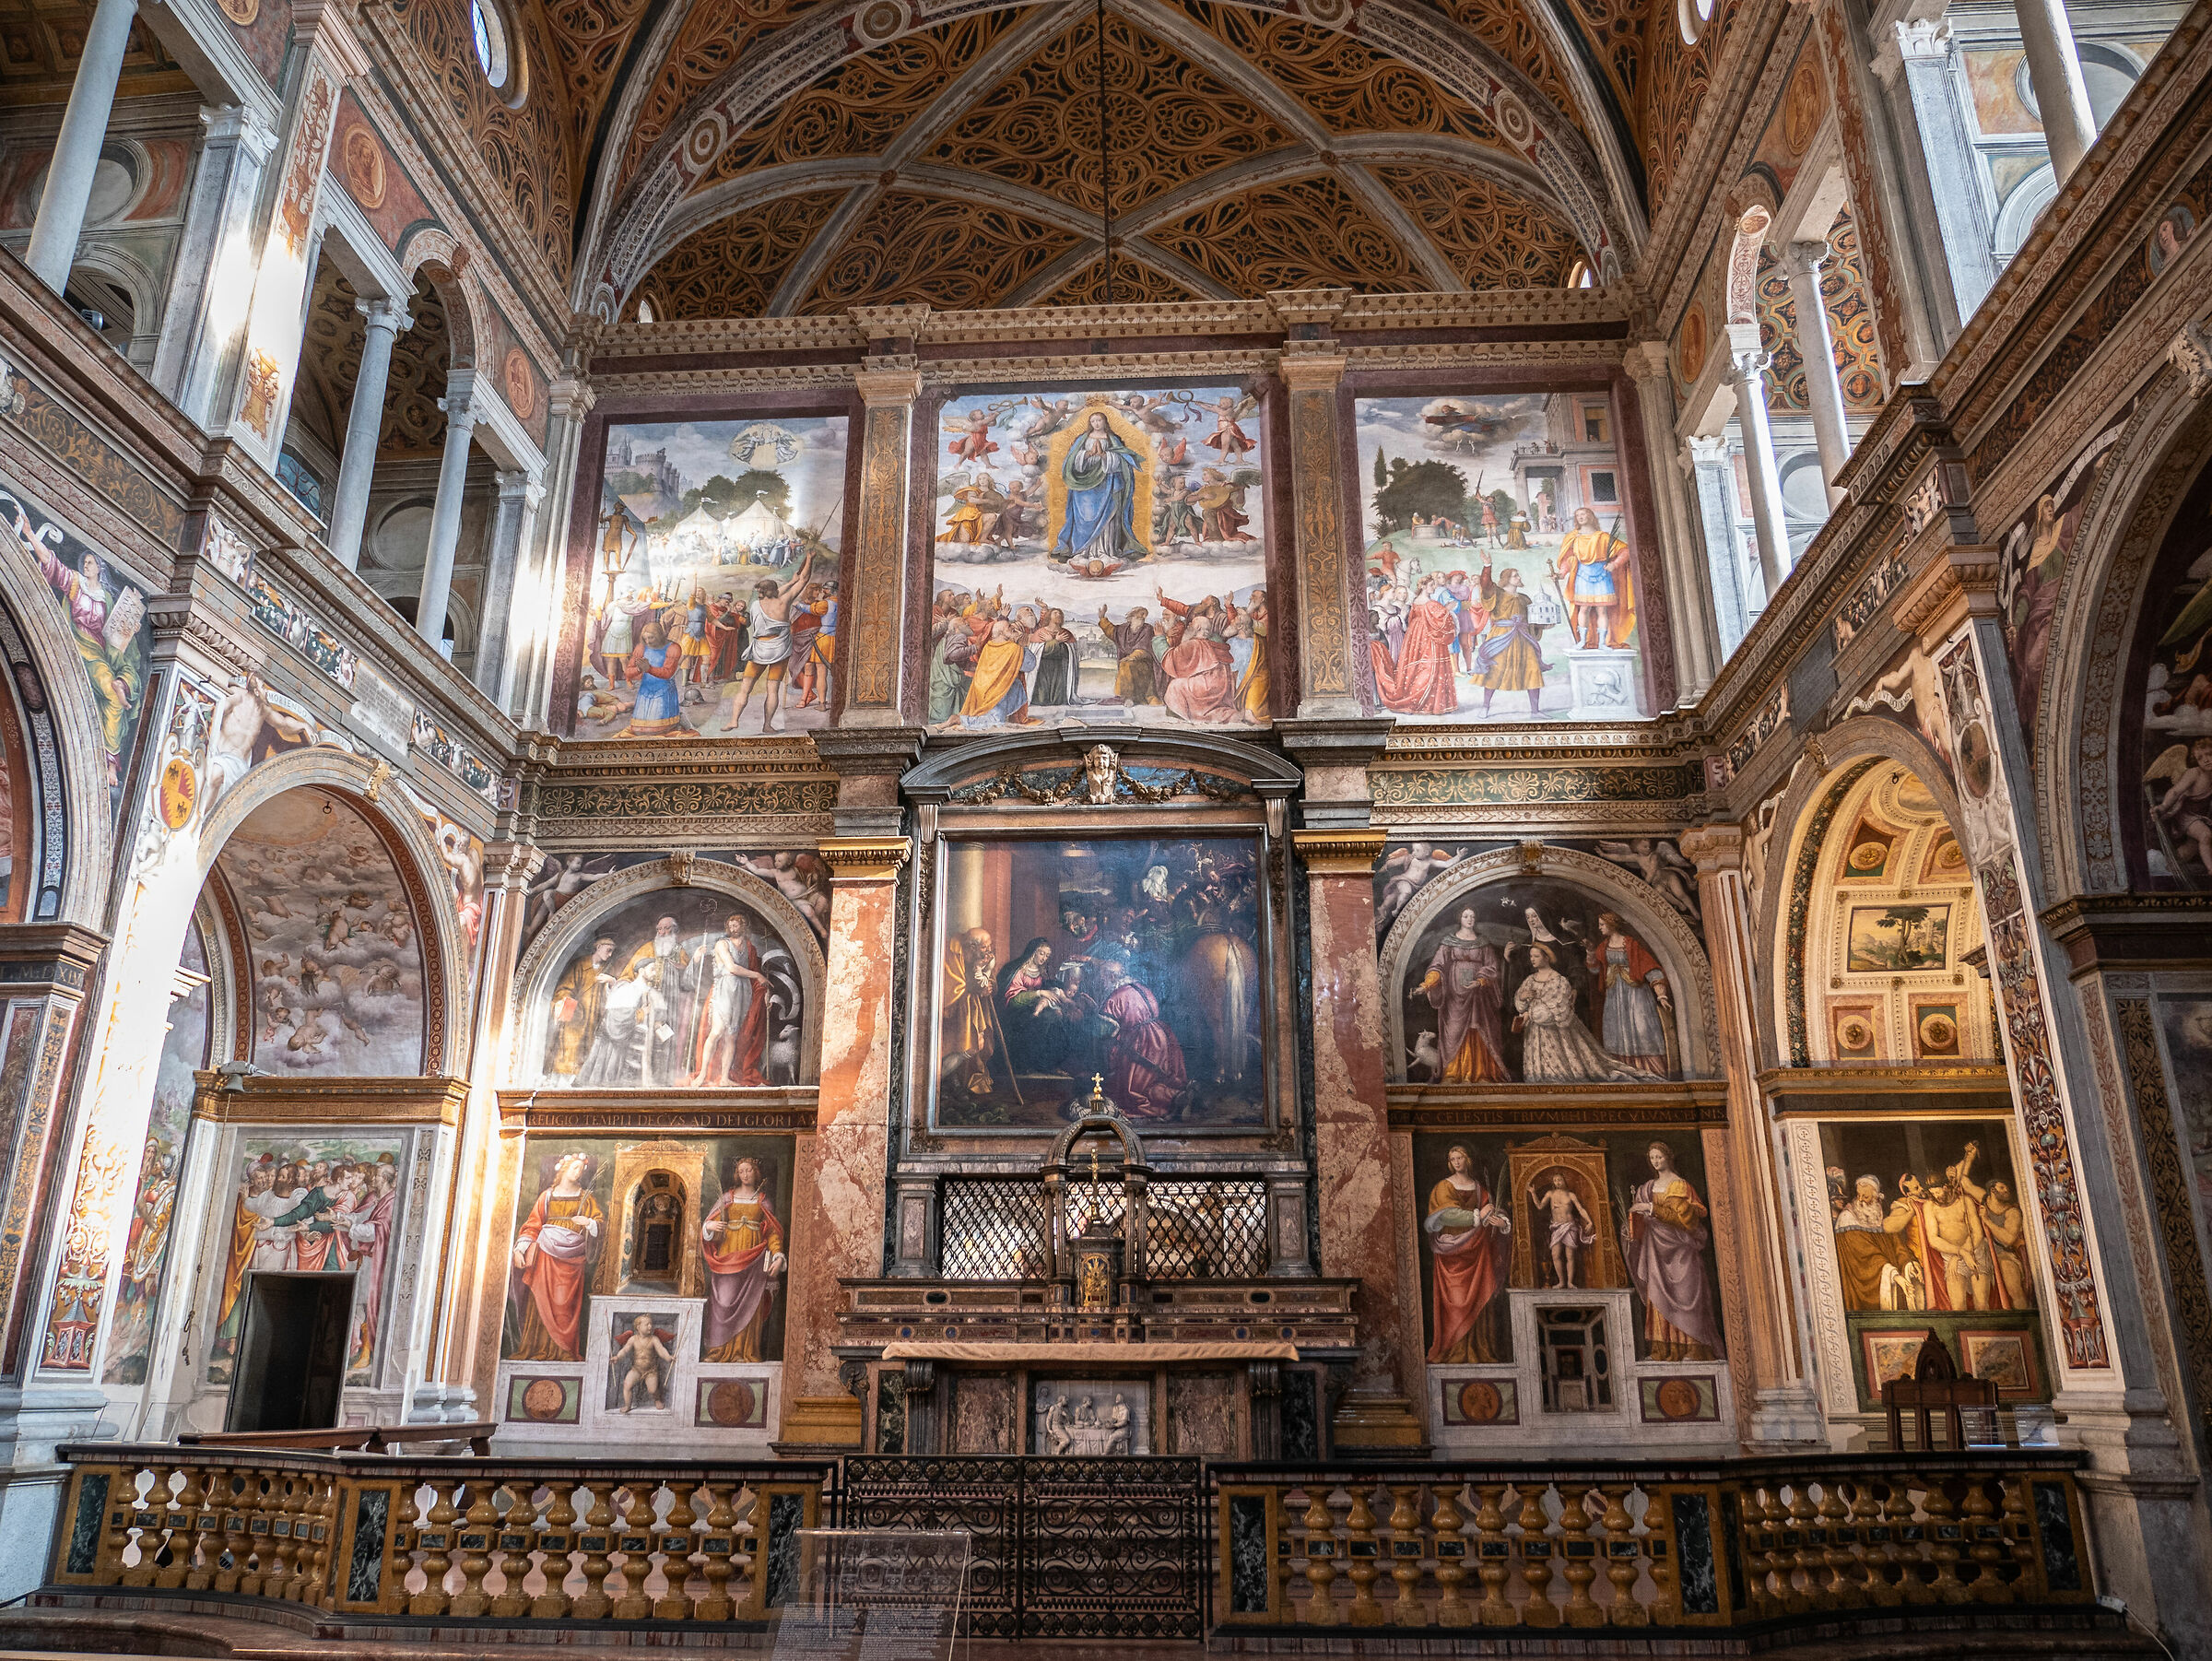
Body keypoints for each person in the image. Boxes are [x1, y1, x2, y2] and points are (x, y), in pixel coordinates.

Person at [1619, 1141, 1724, 1360]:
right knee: (1657, 1298)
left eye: (1659, 1157)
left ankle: (1693, 1349)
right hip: (1654, 1251)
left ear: (1669, 1157)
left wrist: (1650, 1208)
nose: (1656, 1162)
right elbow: (1635, 1219)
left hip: (1681, 1251)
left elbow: (1685, 1220)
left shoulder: (1680, 1186)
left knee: (1686, 1297)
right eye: (1652, 1158)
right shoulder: (1646, 1188)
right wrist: (1630, 1229)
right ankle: (1664, 1350)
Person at [510, 1152, 603, 1361]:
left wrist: (588, 1223)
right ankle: (537, 1349)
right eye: (574, 1167)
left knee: (564, 1305)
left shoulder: (586, 1198)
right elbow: (533, 1224)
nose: (577, 1172)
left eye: (580, 1169)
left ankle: (564, 1350)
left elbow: (600, 1223)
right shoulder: (547, 1196)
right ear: (563, 1169)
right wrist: (519, 1249)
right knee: (541, 1301)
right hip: (545, 1256)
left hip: (571, 1260)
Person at [1425, 1144, 1512, 1361]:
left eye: (1459, 1158)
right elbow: (1445, 1216)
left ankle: (1479, 1350)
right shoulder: (1443, 1187)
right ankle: (1454, 1352)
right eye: (1452, 1158)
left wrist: (1501, 1221)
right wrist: (1477, 1216)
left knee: (1481, 1300)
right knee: (1455, 1302)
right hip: (1452, 1254)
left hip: (1479, 1253)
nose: (1456, 1162)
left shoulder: (1479, 1188)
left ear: (1467, 1160)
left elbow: (1491, 1207)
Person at [1512, 944, 1649, 1081]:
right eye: (1531, 956)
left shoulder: (1558, 981)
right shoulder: (1530, 979)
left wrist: (1530, 1013)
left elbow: (1555, 1009)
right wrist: (1522, 998)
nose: (1532, 959)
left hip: (1553, 1033)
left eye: (1536, 956)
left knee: (1558, 1068)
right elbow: (1520, 1004)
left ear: (1547, 958)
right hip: (1534, 1033)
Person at [701, 1157, 786, 1361]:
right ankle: (717, 1351)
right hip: (728, 1256)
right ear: (737, 1175)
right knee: (723, 1301)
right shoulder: (727, 1198)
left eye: (749, 1170)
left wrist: (778, 1256)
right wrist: (709, 1227)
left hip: (754, 1259)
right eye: (741, 1171)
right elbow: (710, 1222)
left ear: (755, 1172)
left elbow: (773, 1233)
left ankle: (744, 1351)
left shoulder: (763, 1201)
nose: (745, 1175)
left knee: (749, 1305)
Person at [725, 550, 818, 733]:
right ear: (774, 591)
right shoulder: (783, 602)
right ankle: (767, 725)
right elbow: (804, 579)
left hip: (760, 649)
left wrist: (791, 582)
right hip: (779, 650)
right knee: (772, 689)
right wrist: (809, 559)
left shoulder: (754, 605)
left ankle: (734, 721)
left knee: (745, 688)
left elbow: (774, 594)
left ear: (761, 592)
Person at [1094, 944, 1188, 1119]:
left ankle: (1173, 1098)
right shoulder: (1141, 987)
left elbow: (1105, 1036)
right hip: (1164, 1037)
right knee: (1157, 1078)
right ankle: (1177, 1096)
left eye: (1103, 978)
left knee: (1134, 1091)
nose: (1101, 981)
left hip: (1142, 1043)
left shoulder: (1115, 997)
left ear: (1112, 976)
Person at [1418, 907, 1510, 1081]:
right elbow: (1437, 966)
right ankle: (1453, 1073)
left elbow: (1492, 967)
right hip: (1454, 995)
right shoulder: (1448, 942)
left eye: (1473, 916)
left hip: (1478, 995)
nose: (1470, 919)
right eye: (1466, 916)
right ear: (1459, 918)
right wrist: (1427, 984)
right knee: (1454, 1031)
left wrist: (1480, 980)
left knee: (1478, 1028)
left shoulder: (1483, 942)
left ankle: (1482, 1073)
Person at [1053, 412, 1147, 565]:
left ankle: (1107, 550)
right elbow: (1071, 460)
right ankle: (1082, 551)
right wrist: (1087, 454)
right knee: (1083, 518)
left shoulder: (1112, 439)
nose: (1096, 423)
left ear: (1105, 422)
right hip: (1084, 487)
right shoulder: (1082, 439)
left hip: (1108, 483)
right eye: (1093, 421)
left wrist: (1105, 456)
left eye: (1099, 420)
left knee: (1109, 517)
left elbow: (1122, 460)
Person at [1584, 913, 1671, 1073]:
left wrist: (1661, 995)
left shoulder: (1631, 944)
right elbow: (1596, 969)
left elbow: (1650, 969)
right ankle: (1624, 1070)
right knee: (1616, 1032)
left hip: (1636, 994)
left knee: (1642, 1028)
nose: (1600, 928)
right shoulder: (1603, 947)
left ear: (1611, 925)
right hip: (1614, 996)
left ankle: (1653, 1071)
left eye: (1602, 924)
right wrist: (1590, 951)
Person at [689, 913, 769, 1087]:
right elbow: (732, 968)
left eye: (736, 925)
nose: (733, 928)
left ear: (743, 927)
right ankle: (702, 1075)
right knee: (717, 1032)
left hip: (741, 992)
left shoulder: (748, 947)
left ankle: (724, 1077)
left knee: (732, 1036)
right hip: (724, 991)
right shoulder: (721, 944)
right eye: (730, 925)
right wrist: (757, 975)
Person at [1371, 573, 1460, 714]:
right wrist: (1447, 609)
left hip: (1415, 636)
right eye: (1431, 585)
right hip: (1429, 637)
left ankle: (1426, 700)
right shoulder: (1430, 603)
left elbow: (1412, 618)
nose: (1434, 587)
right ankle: (1426, 701)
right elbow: (1440, 618)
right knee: (1430, 667)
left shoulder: (1416, 601)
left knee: (1419, 667)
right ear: (1424, 586)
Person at [1470, 560, 1548, 715]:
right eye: (1515, 576)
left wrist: (1542, 626)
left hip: (1523, 638)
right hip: (1501, 637)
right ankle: (1485, 707)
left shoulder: (1525, 598)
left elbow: (1532, 620)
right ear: (1506, 579)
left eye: (1518, 575)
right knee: (1494, 671)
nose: (1519, 578)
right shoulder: (1497, 594)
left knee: (1532, 670)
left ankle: (1535, 711)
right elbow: (1485, 585)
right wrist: (1487, 566)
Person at [1554, 506, 1635, 650]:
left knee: (1602, 610)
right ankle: (1582, 642)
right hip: (1583, 576)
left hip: (1602, 575)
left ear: (1590, 516)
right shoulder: (1573, 538)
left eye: (1583, 514)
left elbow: (1625, 550)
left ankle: (1603, 643)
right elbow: (1569, 559)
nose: (1580, 517)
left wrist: (1615, 564)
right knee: (1583, 609)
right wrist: (1561, 573)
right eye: (1578, 515)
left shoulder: (1603, 537)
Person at [618, 617, 687, 737]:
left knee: (658, 729)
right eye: (645, 638)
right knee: (640, 729)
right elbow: (628, 672)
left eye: (651, 638)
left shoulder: (673, 648)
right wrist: (639, 669)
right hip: (645, 691)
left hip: (663, 691)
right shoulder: (641, 648)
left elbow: (667, 673)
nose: (648, 641)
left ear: (659, 635)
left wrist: (649, 669)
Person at [1529, 1168, 1595, 1289]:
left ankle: (1570, 1282)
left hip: (1570, 1226)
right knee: (1555, 1254)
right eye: (1555, 1180)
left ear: (1564, 1181)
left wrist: (1589, 1221)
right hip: (1556, 1227)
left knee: (1570, 1255)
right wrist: (1533, 1193)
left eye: (1560, 1180)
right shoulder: (1550, 1194)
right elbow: (1539, 1206)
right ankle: (1561, 1282)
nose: (1557, 1182)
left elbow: (1580, 1209)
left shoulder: (1571, 1195)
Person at [612, 1313, 674, 1412]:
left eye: (651, 1324)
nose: (650, 1326)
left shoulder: (654, 1339)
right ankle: (627, 1405)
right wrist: (617, 1357)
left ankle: (657, 1399)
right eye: (647, 1324)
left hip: (651, 1370)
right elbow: (625, 1350)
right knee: (627, 1384)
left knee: (652, 1390)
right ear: (638, 1327)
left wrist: (668, 1357)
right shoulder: (633, 1339)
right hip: (636, 1369)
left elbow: (661, 1350)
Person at [1107, 606, 1161, 705]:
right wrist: (1102, 619)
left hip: (1143, 664)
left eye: (1143, 618)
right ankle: (1127, 697)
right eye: (1138, 617)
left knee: (1126, 664)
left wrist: (1133, 657)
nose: (1141, 620)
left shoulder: (1147, 629)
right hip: (1129, 661)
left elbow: (1143, 648)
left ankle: (1130, 697)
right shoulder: (1123, 629)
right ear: (1131, 618)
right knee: (1126, 664)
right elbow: (1112, 631)